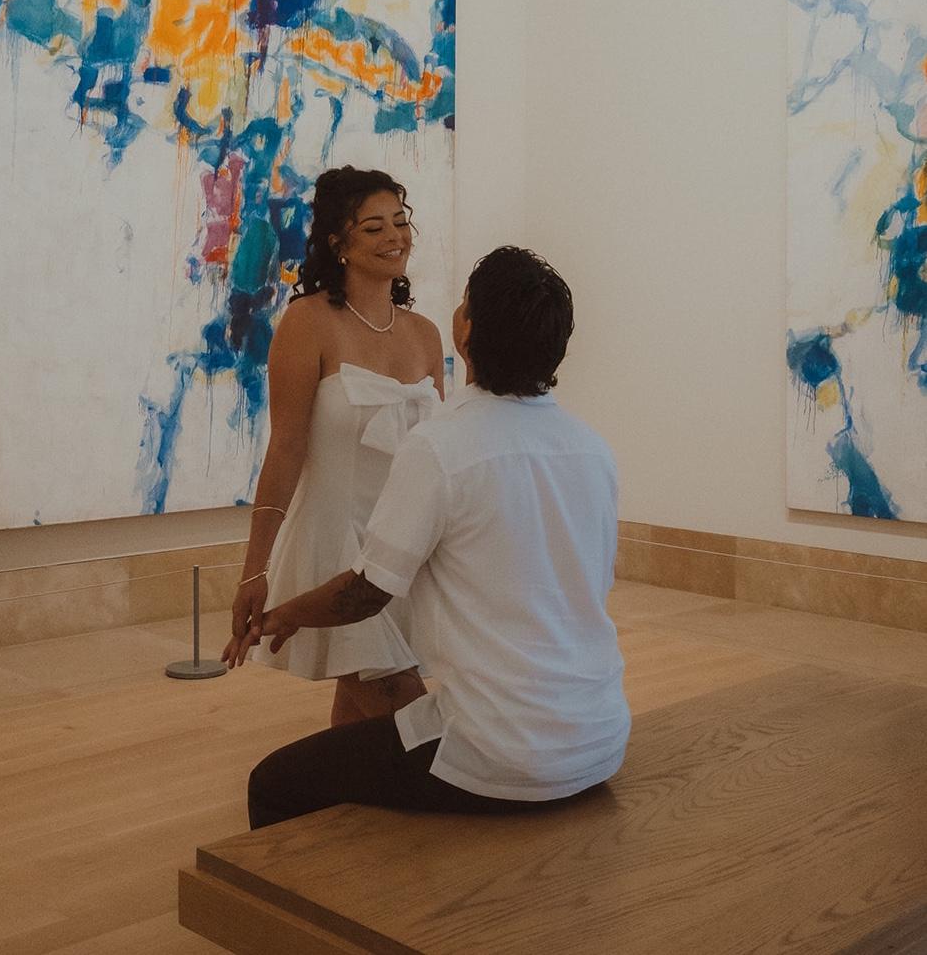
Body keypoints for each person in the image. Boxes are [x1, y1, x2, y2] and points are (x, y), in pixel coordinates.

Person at [230, 246, 632, 828]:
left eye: (465, 301)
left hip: (498, 752)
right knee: (361, 743)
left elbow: (367, 594)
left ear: (467, 331)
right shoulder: (594, 451)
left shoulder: (441, 445)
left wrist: (285, 614)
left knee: (273, 783)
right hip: (601, 738)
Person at [220, 166, 445, 727]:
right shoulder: (307, 323)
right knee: (409, 716)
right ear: (338, 243)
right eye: (373, 227)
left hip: (404, 548)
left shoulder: (425, 333)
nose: (394, 236)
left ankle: (340, 780)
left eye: (400, 221)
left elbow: (440, 454)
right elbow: (286, 448)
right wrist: (254, 569)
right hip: (335, 545)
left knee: (362, 717)